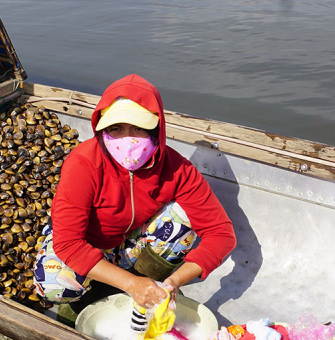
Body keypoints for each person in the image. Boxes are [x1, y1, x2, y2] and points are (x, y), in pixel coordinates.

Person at [34, 74, 236, 312]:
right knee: (54, 285)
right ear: (101, 129)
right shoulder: (83, 164)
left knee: (183, 216)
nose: (127, 140)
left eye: (138, 128)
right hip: (87, 243)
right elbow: (68, 243)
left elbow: (221, 234)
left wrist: (174, 281)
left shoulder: (177, 168)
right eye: (116, 129)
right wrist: (130, 284)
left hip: (130, 240)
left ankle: (148, 281)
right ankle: (113, 286)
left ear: (156, 130)